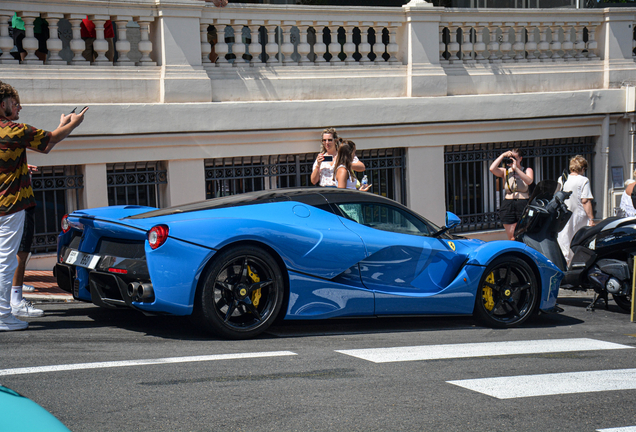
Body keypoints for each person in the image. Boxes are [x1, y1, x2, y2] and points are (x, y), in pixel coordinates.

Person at [0, 81, 87, 331]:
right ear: (3, 104)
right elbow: (50, 141)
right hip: (10, 205)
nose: (18, 107)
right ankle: (4, 314)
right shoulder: (14, 130)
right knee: (6, 261)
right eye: (13, 103)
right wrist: (73, 123)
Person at [557, 155, 595, 265]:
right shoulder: (583, 180)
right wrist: (591, 218)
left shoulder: (562, 179)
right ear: (582, 168)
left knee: (564, 240)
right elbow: (585, 201)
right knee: (578, 241)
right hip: (578, 215)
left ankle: (564, 264)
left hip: (563, 215)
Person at [489, 148, 534, 241]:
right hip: (508, 203)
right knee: (512, 237)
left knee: (524, 235)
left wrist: (516, 169)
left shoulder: (527, 170)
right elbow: (492, 169)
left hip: (523, 203)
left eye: (515, 158)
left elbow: (529, 181)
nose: (512, 160)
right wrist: (502, 156)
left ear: (520, 158)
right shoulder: (505, 171)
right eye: (511, 158)